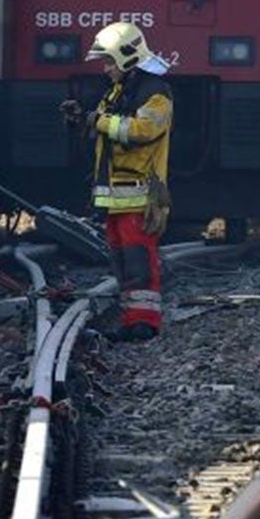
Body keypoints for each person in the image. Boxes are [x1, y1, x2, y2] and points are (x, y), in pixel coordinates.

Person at [63, 21, 171, 341]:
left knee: (138, 258)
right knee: (123, 259)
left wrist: (99, 120)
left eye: (109, 61)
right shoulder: (118, 92)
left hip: (139, 194)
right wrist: (82, 120)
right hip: (118, 195)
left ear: (127, 57)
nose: (106, 69)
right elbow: (108, 131)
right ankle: (131, 317)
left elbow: (141, 130)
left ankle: (143, 322)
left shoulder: (156, 93)